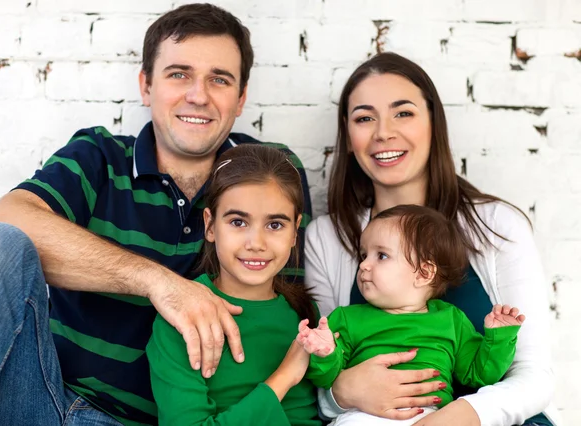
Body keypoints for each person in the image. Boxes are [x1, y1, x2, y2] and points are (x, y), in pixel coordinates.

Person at [0, 4, 314, 425]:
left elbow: (288, 316)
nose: (198, 94)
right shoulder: (99, 156)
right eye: (179, 74)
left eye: (219, 79)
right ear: (146, 85)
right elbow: (5, 226)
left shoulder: (268, 176)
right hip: (42, 396)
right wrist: (159, 283)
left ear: (241, 97)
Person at [305, 52, 557, 425]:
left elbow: (535, 375)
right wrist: (343, 394)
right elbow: (321, 375)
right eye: (364, 118)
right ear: (347, 136)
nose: (383, 132)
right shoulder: (326, 238)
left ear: (434, 124)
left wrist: (462, 414)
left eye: (403, 113)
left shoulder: (497, 226)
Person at [298, 204, 525, 425]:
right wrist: (325, 353)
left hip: (431, 416)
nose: (364, 265)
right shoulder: (346, 318)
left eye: (382, 256)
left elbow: (479, 374)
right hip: (364, 414)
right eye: (364, 255)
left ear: (424, 273)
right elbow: (326, 378)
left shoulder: (451, 320)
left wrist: (500, 338)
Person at [147, 144, 321, 425]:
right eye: (238, 222)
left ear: (294, 231)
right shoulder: (181, 319)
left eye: (275, 225)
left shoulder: (305, 312)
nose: (256, 244)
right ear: (211, 225)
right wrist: (285, 377)